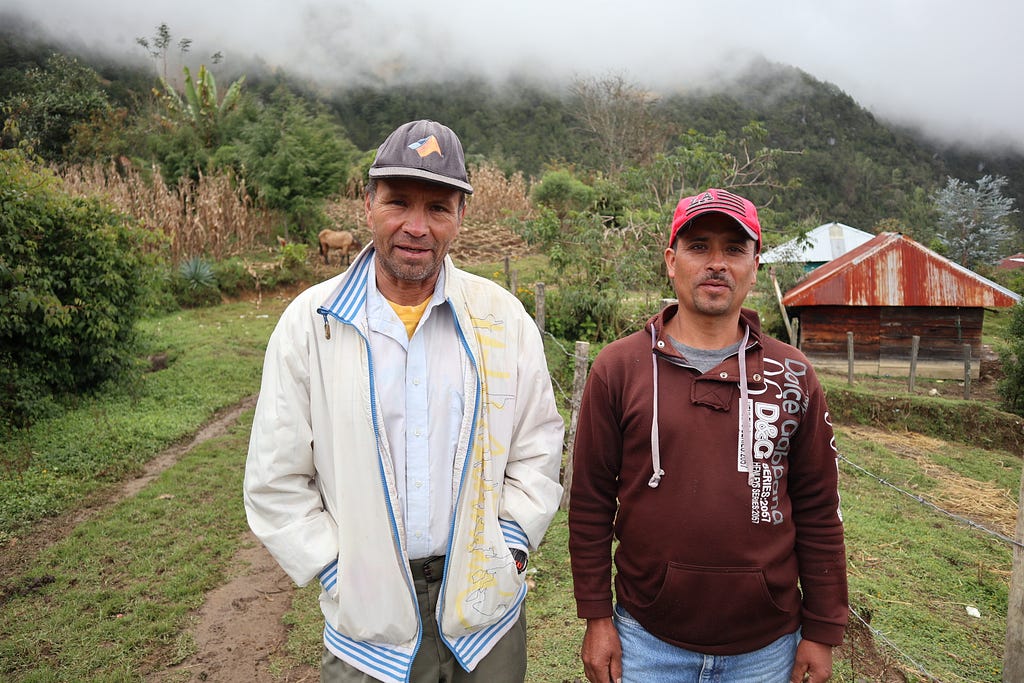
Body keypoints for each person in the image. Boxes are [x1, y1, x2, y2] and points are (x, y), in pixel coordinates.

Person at [244, 119, 565, 683]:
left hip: (486, 613)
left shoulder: (500, 318)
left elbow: (537, 445)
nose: (416, 227)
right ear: (368, 204)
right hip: (368, 626)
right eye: (398, 202)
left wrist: (510, 543)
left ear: (461, 217)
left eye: (438, 208)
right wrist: (337, 569)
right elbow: (275, 478)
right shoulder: (311, 324)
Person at [568, 188, 848, 683]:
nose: (717, 264)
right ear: (671, 262)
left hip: (768, 649)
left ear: (755, 264)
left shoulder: (792, 374)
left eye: (734, 249)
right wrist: (596, 617)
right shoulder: (620, 367)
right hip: (645, 641)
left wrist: (822, 631)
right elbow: (590, 503)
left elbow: (819, 510)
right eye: (699, 247)